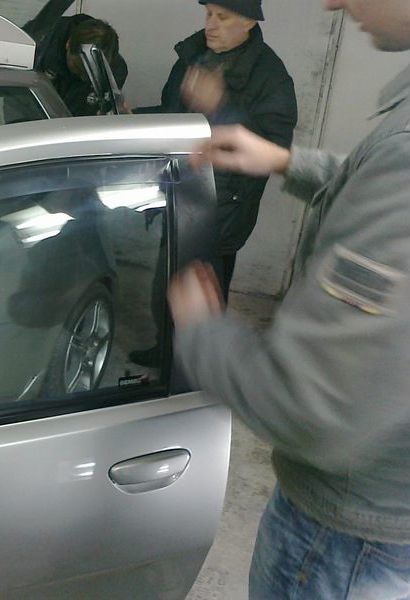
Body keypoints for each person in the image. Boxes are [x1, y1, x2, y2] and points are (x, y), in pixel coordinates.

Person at [167, 1, 410, 597]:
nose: (333, 2)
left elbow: (316, 410)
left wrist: (202, 332)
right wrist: (286, 162)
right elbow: (376, 177)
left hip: (346, 542)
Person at [135, 0, 297, 300]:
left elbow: (274, 150)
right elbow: (172, 115)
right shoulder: (192, 56)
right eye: (208, 14)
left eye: (222, 17)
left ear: (249, 21)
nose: (210, 24)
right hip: (174, 195)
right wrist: (131, 117)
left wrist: (220, 107)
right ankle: (163, 333)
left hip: (221, 213)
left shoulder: (271, 77)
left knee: (205, 301)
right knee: (164, 293)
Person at [23, 0, 128, 116]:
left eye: (91, 75)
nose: (83, 78)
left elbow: (101, 112)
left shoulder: (115, 73)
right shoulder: (38, 42)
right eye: (78, 69)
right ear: (68, 44)